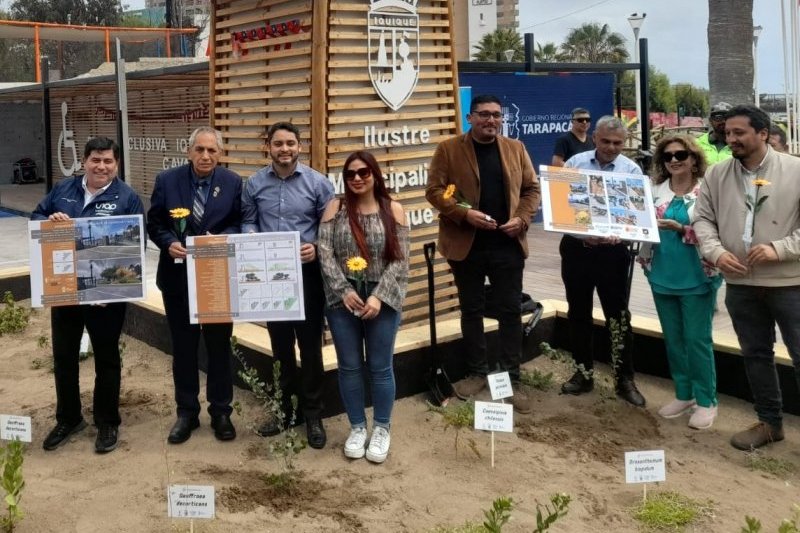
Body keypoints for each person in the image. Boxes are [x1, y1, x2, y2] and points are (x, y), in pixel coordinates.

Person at [694, 104, 800, 449]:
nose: (731, 138)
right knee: (755, 355)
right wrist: (716, 253)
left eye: (739, 132)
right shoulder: (716, 174)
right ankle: (769, 423)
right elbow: (703, 220)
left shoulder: (795, 170)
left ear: (764, 134)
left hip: (789, 284)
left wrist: (779, 249)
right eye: (727, 133)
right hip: (739, 284)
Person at [425, 94, 540, 413]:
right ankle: (477, 372)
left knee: (509, 312)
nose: (492, 120)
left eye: (496, 115)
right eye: (484, 115)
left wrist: (522, 218)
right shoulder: (449, 150)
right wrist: (464, 212)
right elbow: (437, 191)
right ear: (470, 118)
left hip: (508, 243)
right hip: (467, 245)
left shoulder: (515, 149)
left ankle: (509, 379)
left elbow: (531, 189)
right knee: (471, 309)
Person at [33, 137, 145, 454]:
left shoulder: (127, 197)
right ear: (85, 161)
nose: (102, 166)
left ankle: (107, 421)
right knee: (64, 357)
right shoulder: (62, 191)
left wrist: (114, 286)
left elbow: (136, 244)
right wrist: (48, 221)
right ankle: (69, 418)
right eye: (96, 159)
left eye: (108, 161)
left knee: (107, 359)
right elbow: (35, 218)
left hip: (106, 296)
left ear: (117, 164)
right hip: (65, 289)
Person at [241, 121, 335, 449]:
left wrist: (317, 247)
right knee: (279, 345)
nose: (285, 149)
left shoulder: (318, 184)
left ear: (300, 146)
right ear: (268, 146)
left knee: (310, 346)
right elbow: (249, 219)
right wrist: (250, 236)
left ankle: (312, 413)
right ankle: (284, 409)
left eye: (290, 143)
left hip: (307, 274)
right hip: (270, 274)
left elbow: (331, 228)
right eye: (278, 143)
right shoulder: (253, 184)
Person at [147, 127, 242, 444]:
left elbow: (240, 221)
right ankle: (186, 413)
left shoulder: (232, 183)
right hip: (177, 279)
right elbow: (155, 222)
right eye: (199, 150)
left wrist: (225, 237)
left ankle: (221, 412)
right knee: (184, 349)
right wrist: (168, 241)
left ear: (220, 154)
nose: (205, 156)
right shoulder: (167, 180)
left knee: (218, 348)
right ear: (189, 152)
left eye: (212, 151)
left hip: (216, 277)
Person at [318, 151, 409, 463]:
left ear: (375, 174)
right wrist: (343, 290)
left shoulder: (393, 209)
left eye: (363, 172)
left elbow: (400, 259)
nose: (357, 178)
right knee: (350, 365)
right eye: (351, 173)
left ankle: (382, 428)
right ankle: (357, 426)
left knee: (381, 366)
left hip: (381, 298)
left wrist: (378, 296)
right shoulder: (336, 207)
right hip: (343, 299)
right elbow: (325, 252)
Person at [559, 116, 646, 407]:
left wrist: (620, 235)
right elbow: (562, 209)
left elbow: (635, 216)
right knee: (578, 312)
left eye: (618, 143)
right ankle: (583, 374)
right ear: (595, 137)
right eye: (606, 141)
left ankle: (625, 379)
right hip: (577, 249)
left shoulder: (631, 169)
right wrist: (582, 233)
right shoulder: (574, 165)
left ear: (625, 143)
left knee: (618, 316)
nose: (611, 147)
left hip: (613, 253)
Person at [639, 135, 721, 428]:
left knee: (697, 340)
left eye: (681, 154)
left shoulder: (708, 192)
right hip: (661, 274)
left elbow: (719, 233)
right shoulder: (653, 191)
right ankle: (684, 393)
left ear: (694, 158)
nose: (674, 160)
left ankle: (706, 400)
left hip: (697, 276)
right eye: (667, 156)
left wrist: (681, 229)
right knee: (673, 340)